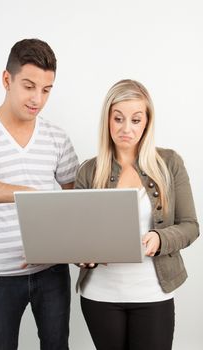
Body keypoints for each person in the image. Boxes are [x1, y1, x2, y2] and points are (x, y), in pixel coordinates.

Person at [0, 38, 79, 350]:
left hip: (51, 273)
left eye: (47, 89)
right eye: (29, 85)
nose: (38, 98)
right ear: (6, 80)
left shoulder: (57, 138)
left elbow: (77, 202)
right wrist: (30, 195)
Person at [75, 79, 199, 350]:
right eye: (118, 118)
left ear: (147, 122)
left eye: (135, 119)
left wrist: (160, 238)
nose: (126, 128)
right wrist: (82, 256)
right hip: (100, 296)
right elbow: (78, 237)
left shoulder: (169, 164)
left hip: (153, 293)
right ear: (107, 120)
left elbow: (191, 226)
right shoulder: (88, 171)